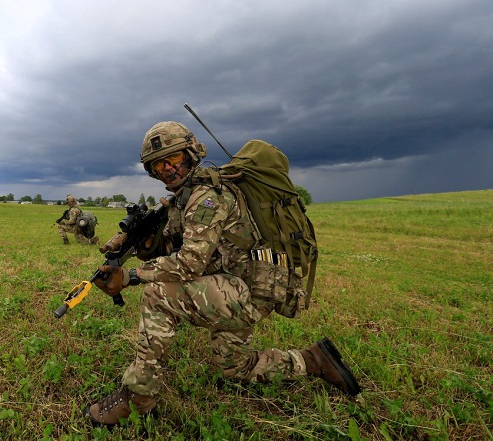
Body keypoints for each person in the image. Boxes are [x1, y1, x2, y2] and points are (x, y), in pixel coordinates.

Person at [85, 121, 361, 427]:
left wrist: (132, 275)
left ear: (190, 154)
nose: (167, 169)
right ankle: (313, 361)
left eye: (173, 159)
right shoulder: (187, 196)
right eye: (158, 164)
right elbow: (181, 248)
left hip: (244, 291)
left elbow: (190, 263)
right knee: (234, 367)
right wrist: (149, 245)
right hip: (245, 286)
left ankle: (138, 399)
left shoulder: (206, 196)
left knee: (158, 295)